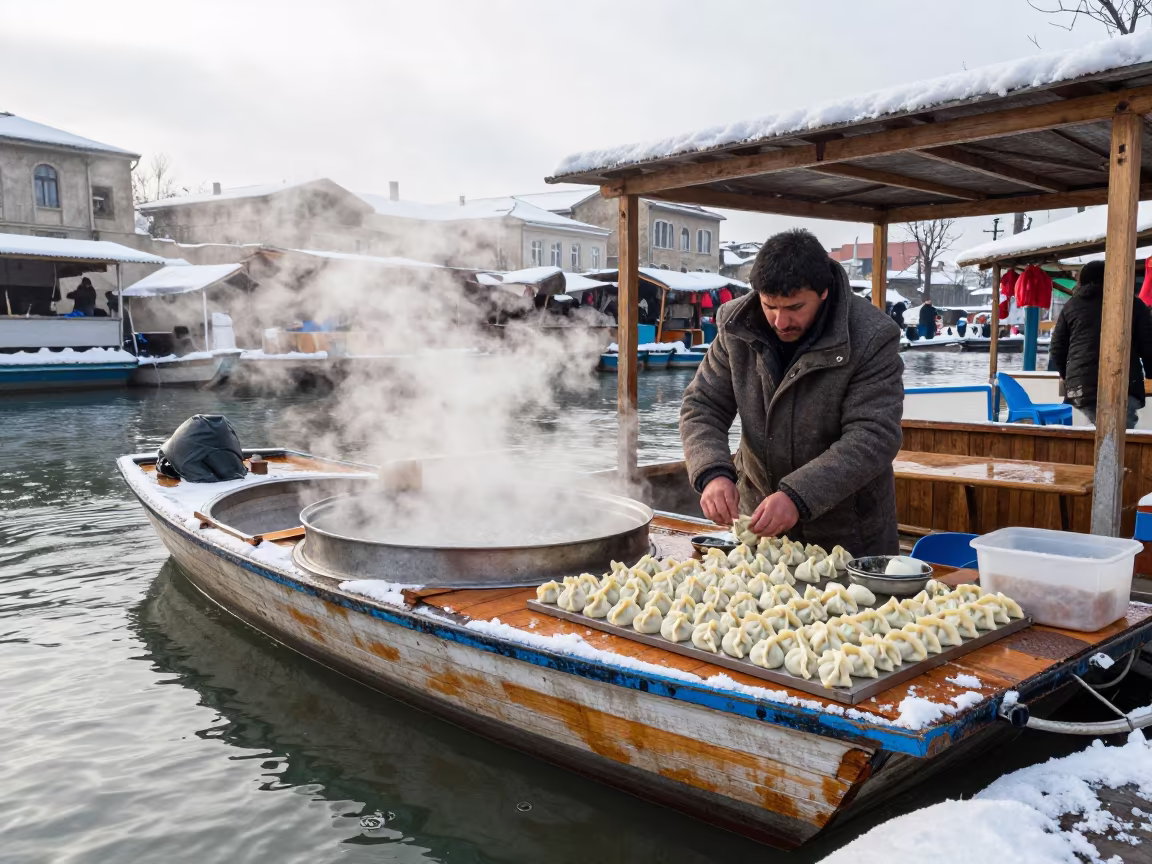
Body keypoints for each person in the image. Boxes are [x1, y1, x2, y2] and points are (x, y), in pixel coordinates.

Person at [680, 228, 904, 554]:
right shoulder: (734, 324)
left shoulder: (873, 336)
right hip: (758, 525)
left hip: (849, 534)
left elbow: (873, 435)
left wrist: (799, 495)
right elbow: (702, 406)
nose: (780, 321)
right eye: (770, 305)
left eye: (795, 307)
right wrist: (712, 472)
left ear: (824, 291)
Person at [1048, 259, 1152, 429]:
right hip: (1123, 385)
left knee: (1100, 432)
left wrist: (1072, 376)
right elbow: (1148, 346)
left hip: (1080, 389)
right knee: (1119, 435)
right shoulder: (1133, 305)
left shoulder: (1071, 306)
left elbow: (1057, 350)